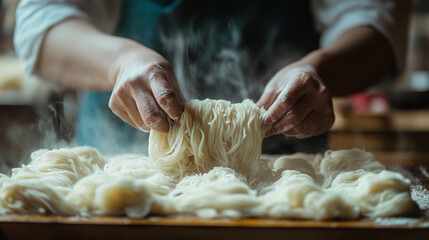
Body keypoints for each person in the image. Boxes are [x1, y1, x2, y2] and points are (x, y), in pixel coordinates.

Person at [14, 0, 410, 155]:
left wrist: (319, 69)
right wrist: (119, 61)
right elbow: (40, 22)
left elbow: (375, 22)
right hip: (120, 171)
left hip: (282, 180)